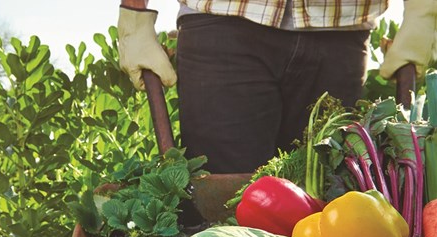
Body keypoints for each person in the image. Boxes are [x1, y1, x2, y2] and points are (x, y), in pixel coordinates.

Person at [117, 0, 436, 175]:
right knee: (221, 205)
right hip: (222, 23)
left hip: (340, 29)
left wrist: (423, 11)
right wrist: (134, 14)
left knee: (327, 197)